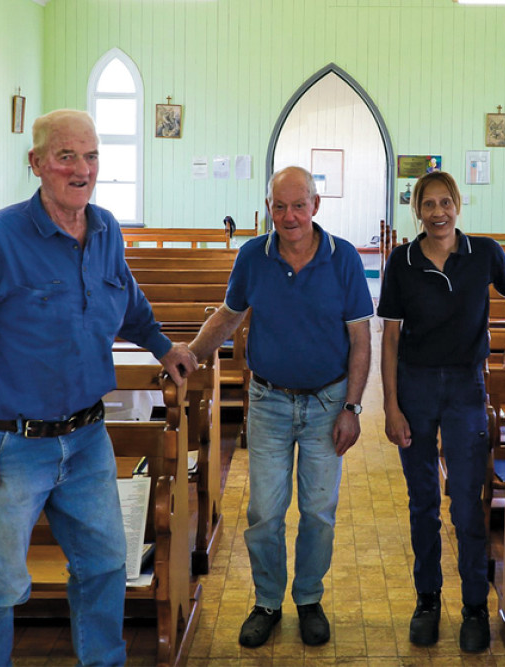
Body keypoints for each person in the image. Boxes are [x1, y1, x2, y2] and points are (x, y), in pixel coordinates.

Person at [0, 109, 197, 667]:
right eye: (66, 156)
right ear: (37, 163)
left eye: (91, 156)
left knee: (103, 567)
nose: (82, 169)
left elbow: (128, 300)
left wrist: (164, 347)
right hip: (10, 447)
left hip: (87, 438)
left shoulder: (105, 229)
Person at [188, 165, 373, 648]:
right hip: (268, 402)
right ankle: (267, 601)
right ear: (268, 207)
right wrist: (188, 357)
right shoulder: (253, 256)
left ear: (316, 205)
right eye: (279, 206)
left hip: (328, 404)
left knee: (318, 511)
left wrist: (353, 408)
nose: (288, 216)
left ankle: (308, 598)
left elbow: (360, 339)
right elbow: (228, 317)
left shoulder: (344, 258)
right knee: (265, 512)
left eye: (297, 205)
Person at [378, 170, 505, 653]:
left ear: (458, 206)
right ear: (417, 210)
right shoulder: (401, 260)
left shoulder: (484, 253)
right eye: (429, 204)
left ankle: (473, 606)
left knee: (467, 502)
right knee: (422, 500)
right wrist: (390, 404)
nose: (438, 212)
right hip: (416, 386)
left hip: (467, 387)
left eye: (446, 202)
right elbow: (390, 337)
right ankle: (427, 600)